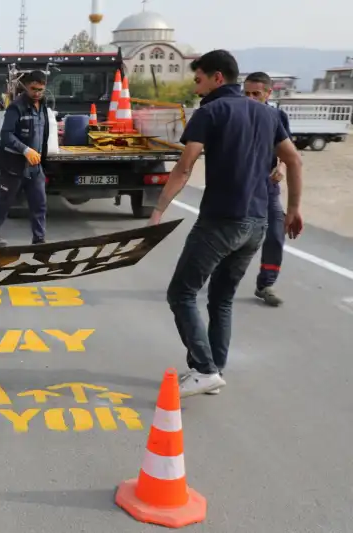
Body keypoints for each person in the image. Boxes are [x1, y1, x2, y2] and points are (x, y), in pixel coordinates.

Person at [146, 50, 304, 398]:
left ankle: (204, 369)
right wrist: (293, 208)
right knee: (221, 299)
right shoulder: (268, 114)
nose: (196, 85)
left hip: (221, 220)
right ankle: (214, 370)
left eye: (199, 78)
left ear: (218, 77)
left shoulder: (211, 112)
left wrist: (158, 211)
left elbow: (184, 167)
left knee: (182, 292)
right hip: (257, 222)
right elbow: (294, 160)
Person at [243, 72, 292, 307]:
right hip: (240, 186)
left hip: (268, 186)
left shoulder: (277, 117)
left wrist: (281, 167)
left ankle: (266, 284)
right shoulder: (237, 115)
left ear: (268, 93)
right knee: (231, 235)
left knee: (275, 233)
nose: (251, 98)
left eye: (256, 94)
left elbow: (287, 152)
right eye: (247, 93)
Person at [0, 69, 50, 246]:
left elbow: (43, 133)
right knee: (5, 202)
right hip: (13, 166)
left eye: (40, 89)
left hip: (34, 167)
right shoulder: (17, 107)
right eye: (33, 89)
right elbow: (6, 134)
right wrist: (25, 150)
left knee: (39, 204)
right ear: (26, 87)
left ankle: (39, 240)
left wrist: (41, 158)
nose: (36, 93)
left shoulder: (43, 106)